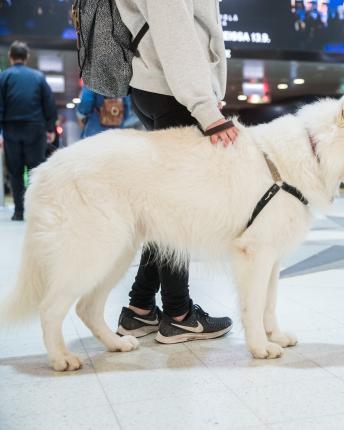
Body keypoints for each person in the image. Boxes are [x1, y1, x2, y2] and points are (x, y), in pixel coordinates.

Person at [113, 0, 237, 343]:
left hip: (161, 89)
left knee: (165, 210)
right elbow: (175, 33)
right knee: (178, 212)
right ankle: (179, 314)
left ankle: (139, 311)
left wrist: (205, 94)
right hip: (171, 93)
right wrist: (203, 104)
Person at [0, 41, 57, 221]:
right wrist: (50, 128)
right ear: (27, 57)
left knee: (15, 172)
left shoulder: (4, 77)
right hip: (35, 129)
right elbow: (49, 104)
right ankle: (36, 212)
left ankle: (18, 212)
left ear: (10, 57)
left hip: (11, 129)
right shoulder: (38, 77)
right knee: (35, 171)